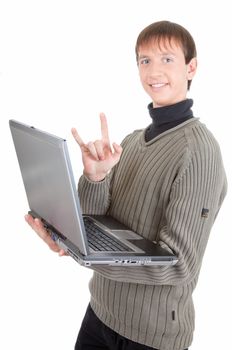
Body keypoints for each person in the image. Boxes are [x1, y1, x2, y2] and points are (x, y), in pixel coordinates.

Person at [25, 20, 227, 350]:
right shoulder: (131, 142)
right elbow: (93, 219)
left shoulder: (199, 152)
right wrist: (95, 177)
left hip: (151, 336)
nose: (153, 70)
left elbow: (178, 264)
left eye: (166, 59)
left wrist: (87, 256)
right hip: (100, 314)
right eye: (144, 60)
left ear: (191, 67)